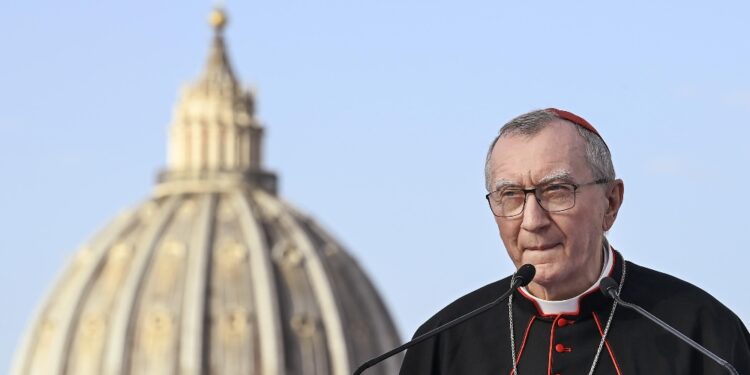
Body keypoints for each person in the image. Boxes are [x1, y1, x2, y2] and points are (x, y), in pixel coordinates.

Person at [399, 108, 750, 374]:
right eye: (511, 195)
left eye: (556, 191)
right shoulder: (441, 344)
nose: (533, 221)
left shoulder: (702, 333)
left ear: (610, 203)